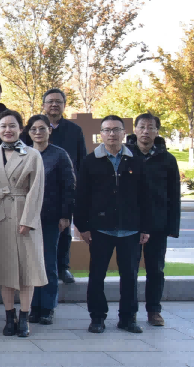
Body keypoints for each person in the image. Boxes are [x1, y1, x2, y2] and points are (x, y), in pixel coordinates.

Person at [75, 115, 150, 335]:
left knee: (130, 276)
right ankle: (97, 317)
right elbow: (81, 197)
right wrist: (83, 226)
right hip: (100, 228)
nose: (111, 134)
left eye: (116, 130)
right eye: (107, 130)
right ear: (101, 134)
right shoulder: (90, 161)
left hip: (131, 229)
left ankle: (128, 318)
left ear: (124, 133)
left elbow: (146, 197)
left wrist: (145, 227)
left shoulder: (136, 161)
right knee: (97, 275)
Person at [0, 110, 47, 338]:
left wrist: (28, 220)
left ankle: (24, 317)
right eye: (3, 126)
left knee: (27, 269)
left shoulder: (32, 155)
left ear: (21, 128)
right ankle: (9, 317)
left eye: (12, 125)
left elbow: (36, 189)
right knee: (5, 269)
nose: (7, 130)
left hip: (23, 213)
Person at [126, 113, 180, 327]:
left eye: (150, 127)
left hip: (158, 224)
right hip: (130, 222)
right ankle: (129, 312)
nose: (145, 131)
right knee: (129, 270)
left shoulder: (167, 159)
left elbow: (174, 195)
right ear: (135, 129)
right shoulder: (125, 155)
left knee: (156, 269)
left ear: (157, 131)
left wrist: (172, 226)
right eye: (142, 127)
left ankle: (154, 310)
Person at [30, 88, 88, 285]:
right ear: (44, 105)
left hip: (63, 190)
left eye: (58, 101)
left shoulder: (74, 130)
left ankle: (63, 267)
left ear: (64, 105)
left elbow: (81, 160)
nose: (54, 105)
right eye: (50, 101)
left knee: (64, 231)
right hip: (37, 193)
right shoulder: (34, 127)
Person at [23, 115, 75, 326]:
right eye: (34, 129)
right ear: (28, 132)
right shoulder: (23, 153)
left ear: (49, 130)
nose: (38, 132)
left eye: (42, 128)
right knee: (30, 263)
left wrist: (65, 215)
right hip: (26, 217)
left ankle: (47, 307)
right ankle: (33, 306)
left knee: (47, 262)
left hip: (50, 217)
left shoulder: (59, 155)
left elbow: (69, 186)